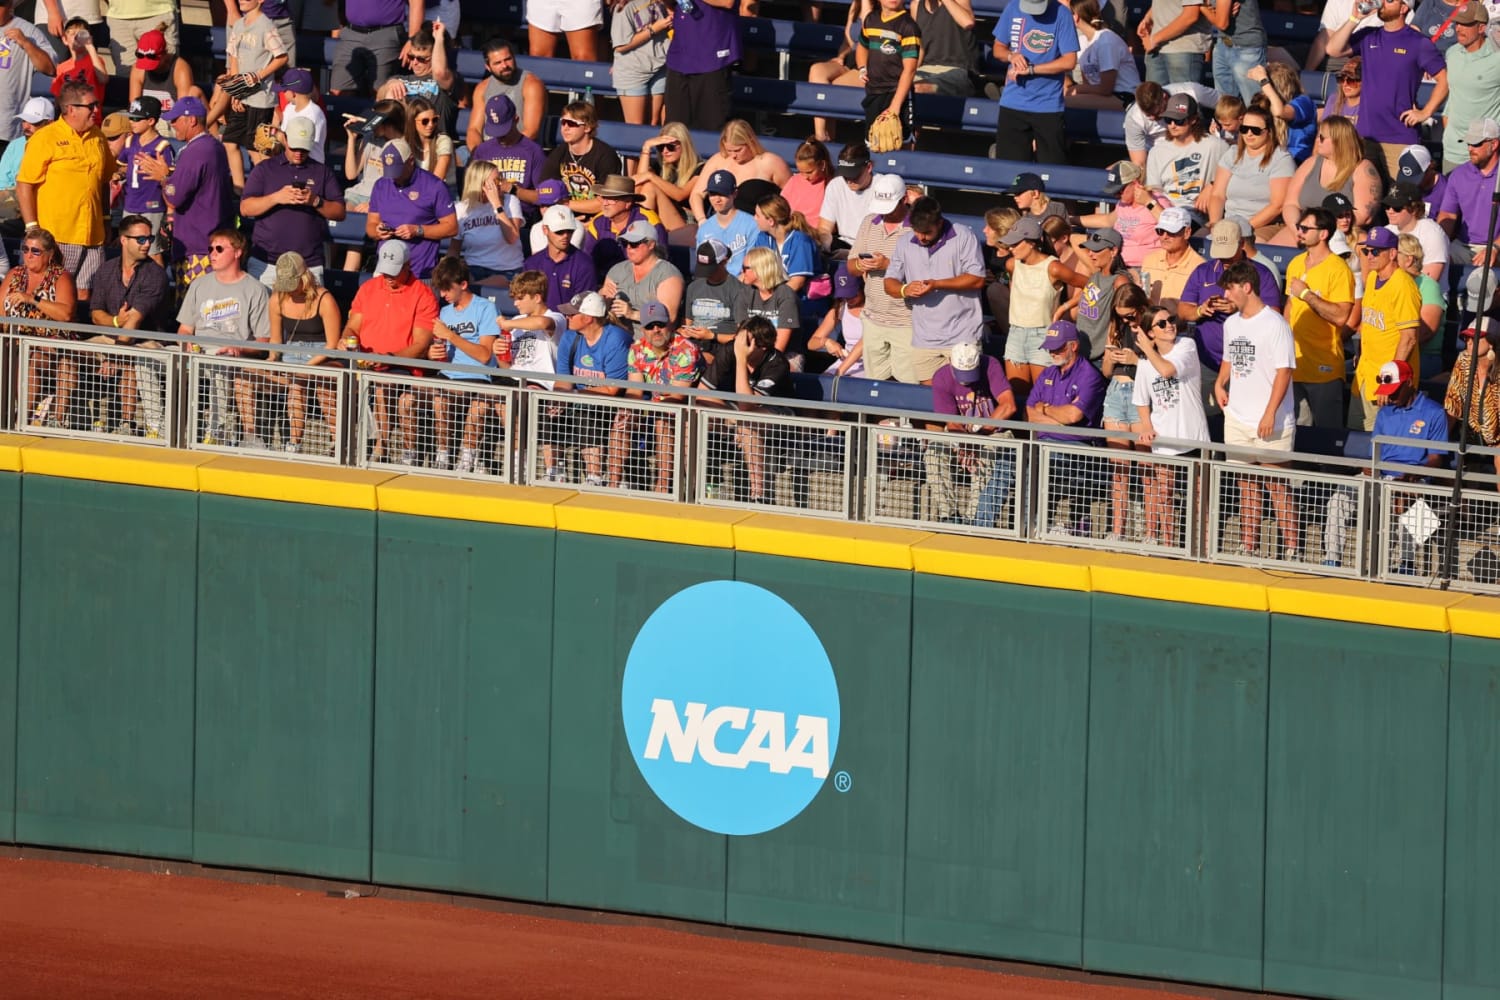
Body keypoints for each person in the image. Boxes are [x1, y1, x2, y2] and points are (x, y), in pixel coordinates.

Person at [1325, 358, 1449, 569]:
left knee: (1411, 502)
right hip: (1381, 476)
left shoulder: (1434, 412)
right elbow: (1375, 452)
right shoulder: (1385, 412)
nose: (1389, 395)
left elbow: (1436, 459)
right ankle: (1332, 559)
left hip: (1413, 479)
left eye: (1394, 390)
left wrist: (1413, 475)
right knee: (1339, 497)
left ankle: (1406, 565)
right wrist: (1369, 466)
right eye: (1387, 390)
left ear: (1409, 383)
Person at [1213, 259, 1298, 559]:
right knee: (1245, 485)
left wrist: (1270, 413)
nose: (1226, 295)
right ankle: (1249, 544)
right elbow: (1229, 358)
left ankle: (1291, 547)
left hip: (1270, 421)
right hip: (1237, 417)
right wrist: (1220, 383)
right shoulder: (1231, 323)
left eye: (1230, 289)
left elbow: (1284, 372)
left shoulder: (1276, 324)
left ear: (1247, 287)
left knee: (1277, 485)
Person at [16, 79, 115, 317]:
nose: (96, 110)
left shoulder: (98, 138)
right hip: (57, 234)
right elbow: (24, 184)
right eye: (91, 105)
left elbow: (103, 181)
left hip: (92, 235)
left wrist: (106, 218)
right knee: (49, 293)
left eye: (97, 105)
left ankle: (69, 348)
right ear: (71, 109)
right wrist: (32, 228)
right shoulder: (45, 137)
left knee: (84, 295)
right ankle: (40, 347)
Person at [1324, 0, 1449, 179]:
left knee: (1398, 200)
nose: (1382, 3)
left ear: (1404, 8)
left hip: (1400, 137)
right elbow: (1332, 49)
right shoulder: (1369, 35)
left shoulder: (1419, 43)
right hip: (1365, 135)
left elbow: (1444, 79)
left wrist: (1426, 112)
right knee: (1364, 198)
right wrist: (1354, 18)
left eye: (1389, 0)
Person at [176, 227, 273, 448]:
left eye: (219, 248)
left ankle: (214, 433)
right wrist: (187, 343)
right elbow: (184, 330)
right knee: (147, 358)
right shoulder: (199, 284)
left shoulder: (255, 289)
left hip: (230, 357)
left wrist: (238, 349)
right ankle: (159, 427)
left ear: (238, 252)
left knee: (219, 364)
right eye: (210, 248)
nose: (213, 253)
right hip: (197, 353)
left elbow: (263, 343)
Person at [344, 241, 439, 464]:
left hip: (401, 365)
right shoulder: (368, 288)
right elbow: (352, 326)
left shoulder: (423, 295)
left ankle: (381, 448)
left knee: (381, 384)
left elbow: (420, 345)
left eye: (394, 272)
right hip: (365, 359)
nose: (388, 276)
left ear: (408, 265)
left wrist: (390, 359)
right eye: (385, 270)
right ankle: (338, 443)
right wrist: (346, 340)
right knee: (327, 378)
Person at [1180, 218, 1283, 411]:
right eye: (1220, 254)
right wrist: (1201, 310)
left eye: (1228, 254)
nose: (1224, 260)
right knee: (1208, 419)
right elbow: (1184, 310)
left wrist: (1239, 309)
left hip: (1248, 365)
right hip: (1207, 361)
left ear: (1242, 244)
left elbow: (1274, 316)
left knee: (1245, 416)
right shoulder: (1203, 271)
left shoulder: (1262, 273)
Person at [141, 97, 235, 302]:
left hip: (198, 246)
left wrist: (164, 178)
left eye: (175, 120)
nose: (171, 124)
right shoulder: (214, 146)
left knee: (194, 309)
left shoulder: (196, 150)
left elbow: (175, 195)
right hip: (212, 240)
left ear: (191, 120)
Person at [885, 197, 985, 384]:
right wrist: (905, 289)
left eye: (927, 232)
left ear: (939, 223)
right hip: (924, 341)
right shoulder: (904, 242)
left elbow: (977, 279)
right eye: (917, 232)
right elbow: (889, 283)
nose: (921, 237)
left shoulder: (964, 236)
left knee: (965, 398)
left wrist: (937, 284)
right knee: (934, 402)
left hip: (962, 336)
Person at [1133, 305, 1209, 547]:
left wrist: (1146, 348)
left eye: (1171, 320)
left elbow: (1166, 370)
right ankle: (1168, 545)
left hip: (1193, 435)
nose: (1170, 325)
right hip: (1164, 440)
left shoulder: (1187, 346)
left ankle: (1202, 546)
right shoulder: (1144, 365)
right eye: (1162, 323)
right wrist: (1146, 425)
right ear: (1151, 332)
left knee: (1200, 497)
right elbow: (1141, 401)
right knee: (1164, 496)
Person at [239, 116, 346, 287]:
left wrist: (316, 201)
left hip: (308, 264)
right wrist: (276, 197)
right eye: (294, 147)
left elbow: (340, 212)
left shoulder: (322, 172)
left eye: (303, 149)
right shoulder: (265, 169)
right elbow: (245, 208)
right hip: (267, 264)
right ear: (285, 139)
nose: (298, 153)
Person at [926, 340, 1019, 528]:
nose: (966, 380)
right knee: (933, 453)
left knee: (986, 455)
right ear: (951, 362)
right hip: (960, 434)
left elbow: (1009, 405)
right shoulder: (942, 377)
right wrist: (965, 445)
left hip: (994, 432)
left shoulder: (990, 365)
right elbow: (951, 421)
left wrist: (978, 439)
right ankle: (948, 515)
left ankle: (974, 518)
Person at [1028, 320, 1106, 536]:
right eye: (1050, 348)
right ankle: (1032, 528)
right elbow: (1030, 415)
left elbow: (1074, 415)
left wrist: (1044, 409)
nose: (1053, 352)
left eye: (1058, 347)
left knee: (1045, 464)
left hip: (1078, 447)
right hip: (1045, 443)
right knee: (1016, 462)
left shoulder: (1089, 375)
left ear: (1073, 346)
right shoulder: (1047, 373)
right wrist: (1059, 417)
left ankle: (1044, 526)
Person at [614, 300, 701, 492]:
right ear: (643, 329)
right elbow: (634, 391)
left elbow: (677, 397)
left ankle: (663, 485)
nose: (656, 330)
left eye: (660, 324)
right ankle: (612, 485)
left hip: (687, 411)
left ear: (669, 324)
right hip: (654, 408)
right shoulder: (637, 349)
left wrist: (649, 411)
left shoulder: (686, 350)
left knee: (663, 420)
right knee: (621, 419)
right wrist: (628, 410)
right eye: (650, 326)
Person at [1284, 206, 1357, 429]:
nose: (1299, 232)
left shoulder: (1338, 270)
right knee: (1299, 437)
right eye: (1299, 227)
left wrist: (1307, 294)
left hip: (1324, 368)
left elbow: (1341, 316)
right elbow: (1289, 306)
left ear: (1323, 233)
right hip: (1295, 365)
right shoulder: (1295, 263)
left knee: (1327, 438)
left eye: (1306, 228)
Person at [427, 256, 501, 473]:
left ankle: (467, 458)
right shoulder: (445, 311)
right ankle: (442, 456)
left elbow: (485, 355)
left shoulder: (485, 308)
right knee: (418, 398)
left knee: (478, 406)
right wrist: (434, 354)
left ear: (463, 285)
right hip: (448, 374)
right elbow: (443, 353)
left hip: (476, 375)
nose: (443, 295)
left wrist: (451, 336)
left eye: (447, 289)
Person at [264, 251, 343, 455]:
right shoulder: (277, 299)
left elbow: (332, 344)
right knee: (295, 387)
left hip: (323, 354)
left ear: (304, 278)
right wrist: (272, 360)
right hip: (291, 353)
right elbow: (275, 340)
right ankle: (294, 442)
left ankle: (338, 442)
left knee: (322, 385)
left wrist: (307, 367)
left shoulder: (324, 299)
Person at [1000, 215, 1088, 395]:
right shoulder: (1012, 265)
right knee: (1018, 396)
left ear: (1032, 243)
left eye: (1015, 244)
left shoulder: (1053, 267)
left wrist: (1064, 307)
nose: (1011, 248)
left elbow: (1091, 285)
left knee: (1043, 395)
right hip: (1015, 333)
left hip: (1043, 335)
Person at [554, 290, 632, 487]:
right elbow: (563, 380)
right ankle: (552, 471)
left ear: (588, 318)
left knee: (587, 411)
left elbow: (612, 389)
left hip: (611, 402)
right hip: (579, 396)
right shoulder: (569, 337)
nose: (567, 317)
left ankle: (594, 477)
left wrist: (574, 395)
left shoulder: (616, 339)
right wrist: (558, 399)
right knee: (549, 410)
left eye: (572, 314)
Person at [210, 0, 287, 191]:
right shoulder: (237, 25)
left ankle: (269, 188)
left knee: (257, 148)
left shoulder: (266, 26)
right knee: (230, 141)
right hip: (243, 96)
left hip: (261, 99)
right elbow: (234, 59)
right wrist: (237, 91)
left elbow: (282, 56)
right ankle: (240, 189)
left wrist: (259, 75)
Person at [1351, 226, 1422, 430]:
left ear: (1392, 254)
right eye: (1367, 251)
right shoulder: (1373, 277)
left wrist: (1390, 381)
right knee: (1357, 442)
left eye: (1376, 251)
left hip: (1389, 382)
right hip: (1366, 374)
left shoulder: (1403, 286)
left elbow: (1409, 338)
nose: (1370, 256)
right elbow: (1370, 321)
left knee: (1378, 448)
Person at [991, 0, 1078, 164]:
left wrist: (1031, 69)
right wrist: (1011, 56)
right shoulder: (1013, 7)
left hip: (1048, 105)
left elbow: (1069, 61)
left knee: (1051, 172)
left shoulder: (1062, 14)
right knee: (1010, 171)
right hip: (1013, 103)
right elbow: (998, 48)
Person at [9, 228, 79, 429]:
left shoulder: (60, 277)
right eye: (25, 249)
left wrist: (32, 299)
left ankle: (21, 421)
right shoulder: (15, 274)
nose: (28, 255)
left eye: (35, 251)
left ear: (48, 255)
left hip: (51, 342)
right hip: (14, 339)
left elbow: (65, 314)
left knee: (33, 358)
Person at [849, 174, 915, 380]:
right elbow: (851, 266)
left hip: (907, 320)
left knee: (908, 384)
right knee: (874, 387)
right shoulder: (869, 222)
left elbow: (925, 273)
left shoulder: (916, 228)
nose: (885, 213)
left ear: (904, 199)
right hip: (873, 318)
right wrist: (861, 264)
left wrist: (887, 265)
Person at [1278, 115, 1382, 241]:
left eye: (1321, 137)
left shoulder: (1362, 169)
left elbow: (1363, 216)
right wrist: (1298, 229)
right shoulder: (1311, 163)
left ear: (1338, 141)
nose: (1317, 141)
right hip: (1303, 231)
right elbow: (1290, 204)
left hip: (1345, 235)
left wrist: (1320, 231)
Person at [366, 138, 458, 281]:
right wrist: (378, 232)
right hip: (385, 270)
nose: (393, 176)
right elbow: (371, 225)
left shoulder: (434, 186)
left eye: (397, 169)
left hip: (419, 273)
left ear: (410, 161)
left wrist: (418, 230)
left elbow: (452, 227)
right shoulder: (381, 185)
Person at [1099, 284, 1148, 541]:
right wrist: (1112, 358)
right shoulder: (1116, 328)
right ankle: (1119, 530)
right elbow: (1106, 372)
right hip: (1117, 392)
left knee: (1146, 467)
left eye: (1130, 315)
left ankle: (1150, 531)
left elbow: (1162, 370)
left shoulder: (1153, 327)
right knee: (1119, 469)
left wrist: (1136, 360)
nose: (1126, 320)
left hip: (1142, 397)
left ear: (1141, 309)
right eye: (1121, 316)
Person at [1208, 105, 1294, 241]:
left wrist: (1242, 228)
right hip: (1228, 223)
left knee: (1248, 246)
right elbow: (1217, 195)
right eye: (1244, 129)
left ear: (1269, 131)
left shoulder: (1281, 159)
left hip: (1263, 225)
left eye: (1255, 130)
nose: (1249, 134)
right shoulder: (1232, 154)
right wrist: (1214, 224)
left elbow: (1277, 205)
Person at [688, 120, 792, 221]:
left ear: (750, 142)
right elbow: (696, 194)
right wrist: (702, 221)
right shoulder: (718, 160)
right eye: (729, 150)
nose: (733, 155)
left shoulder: (770, 162)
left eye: (738, 150)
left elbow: (793, 196)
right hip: (719, 224)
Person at [664, 0, 740, 132]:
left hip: (712, 57)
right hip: (680, 57)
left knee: (711, 128)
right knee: (675, 129)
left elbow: (727, 2)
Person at [377, 20, 461, 139]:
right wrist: (389, 84)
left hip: (431, 142)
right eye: (411, 57)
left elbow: (440, 72)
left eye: (421, 59)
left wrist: (438, 40)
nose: (415, 63)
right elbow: (379, 102)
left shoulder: (449, 80)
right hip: (401, 142)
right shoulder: (399, 78)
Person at [601, 218, 684, 335]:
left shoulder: (667, 274)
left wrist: (632, 314)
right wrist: (602, 297)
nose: (628, 247)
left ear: (651, 245)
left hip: (652, 341)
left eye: (634, 244)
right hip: (618, 338)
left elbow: (669, 317)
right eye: (625, 243)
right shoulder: (617, 270)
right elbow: (602, 305)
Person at [1443, 4, 1500, 174]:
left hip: (1486, 154)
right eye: (1457, 23)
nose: (1458, 28)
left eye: (1465, 24)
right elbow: (1453, 92)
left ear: (1481, 27)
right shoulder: (1452, 53)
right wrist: (1447, 119)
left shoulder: (1497, 59)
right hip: (1453, 151)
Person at [1145, 92, 1223, 216]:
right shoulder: (1156, 152)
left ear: (1193, 119)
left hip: (1197, 214)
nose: (1172, 125)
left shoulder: (1216, 146)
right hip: (1164, 213)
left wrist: (1212, 186)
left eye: (1178, 121)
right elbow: (1154, 193)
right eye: (1168, 120)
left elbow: (1236, 173)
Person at [536, 101, 622, 214]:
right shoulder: (558, 153)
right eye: (563, 122)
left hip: (598, 220)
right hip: (564, 217)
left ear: (587, 127)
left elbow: (605, 203)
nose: (565, 128)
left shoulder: (605, 156)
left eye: (571, 123)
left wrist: (565, 204)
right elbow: (544, 193)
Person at [450, 158, 525, 286]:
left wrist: (497, 205)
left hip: (508, 271)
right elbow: (454, 250)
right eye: (496, 181)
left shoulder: (510, 201)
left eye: (501, 179)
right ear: (479, 184)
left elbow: (512, 237)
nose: (501, 184)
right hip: (473, 269)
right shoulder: (461, 209)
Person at [856, 0, 921, 147]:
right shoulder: (871, 19)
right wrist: (862, 68)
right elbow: (862, 46)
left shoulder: (909, 26)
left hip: (897, 92)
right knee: (874, 143)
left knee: (899, 142)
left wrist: (895, 107)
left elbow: (910, 70)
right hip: (873, 92)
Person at [681, 238, 750, 372]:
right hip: (693, 344)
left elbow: (742, 338)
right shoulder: (694, 287)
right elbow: (687, 323)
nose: (706, 274)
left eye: (710, 269)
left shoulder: (738, 290)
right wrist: (685, 331)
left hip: (721, 347)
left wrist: (712, 336)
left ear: (724, 262)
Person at [809, 0, 874, 142]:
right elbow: (847, 41)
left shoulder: (882, 8)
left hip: (869, 65)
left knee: (832, 87)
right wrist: (841, 56)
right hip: (850, 60)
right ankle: (820, 135)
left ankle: (826, 140)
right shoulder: (855, 6)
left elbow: (869, 36)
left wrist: (866, 3)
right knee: (817, 70)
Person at [465, 38, 547, 150]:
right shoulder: (482, 88)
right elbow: (474, 130)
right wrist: (478, 154)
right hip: (487, 151)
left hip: (520, 151)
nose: (504, 65)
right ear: (488, 67)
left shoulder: (531, 84)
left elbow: (531, 132)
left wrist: (502, 154)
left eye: (508, 59)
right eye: (498, 63)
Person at [1438, 118, 1500, 266]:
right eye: (1468, 143)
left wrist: (1495, 248)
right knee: (1435, 260)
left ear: (1494, 144)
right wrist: (1438, 243)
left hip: (1496, 247)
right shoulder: (1458, 174)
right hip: (1461, 245)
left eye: (1477, 144)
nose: (1470, 148)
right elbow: (1448, 215)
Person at [329, 0, 421, 98]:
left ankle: (378, 114)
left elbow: (417, 2)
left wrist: (412, 39)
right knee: (338, 91)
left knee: (381, 92)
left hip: (385, 33)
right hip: (350, 32)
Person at [1083, 161, 1164, 271]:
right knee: (1076, 240)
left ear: (1135, 183)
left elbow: (1172, 225)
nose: (1116, 195)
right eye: (1114, 192)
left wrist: (1148, 201)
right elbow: (1107, 220)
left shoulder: (1156, 201)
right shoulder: (1123, 204)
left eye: (1120, 191)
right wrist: (1071, 219)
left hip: (1144, 267)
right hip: (1117, 264)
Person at [1445, 325, 1500, 484]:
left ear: (1491, 343)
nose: (1469, 342)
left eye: (1475, 338)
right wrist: (1442, 438)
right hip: (1468, 433)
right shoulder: (1464, 360)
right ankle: (1459, 508)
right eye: (1467, 338)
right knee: (1446, 454)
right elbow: (1453, 401)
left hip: (1496, 436)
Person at [1123, 80, 1222, 168]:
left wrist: (1220, 125)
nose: (1153, 118)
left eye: (1157, 113)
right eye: (1148, 115)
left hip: (1196, 148)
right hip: (1158, 157)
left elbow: (1228, 105)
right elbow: (1139, 163)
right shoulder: (1134, 118)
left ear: (1164, 97)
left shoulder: (1192, 92)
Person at [583, 174, 668, 275]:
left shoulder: (649, 221)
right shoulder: (597, 223)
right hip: (605, 282)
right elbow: (588, 260)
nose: (605, 203)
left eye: (611, 199)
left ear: (628, 203)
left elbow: (660, 262)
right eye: (603, 198)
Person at [1065, 0, 1140, 110]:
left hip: (1125, 97)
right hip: (1103, 96)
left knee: (1064, 103)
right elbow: (1089, 84)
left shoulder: (1106, 41)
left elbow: (1106, 89)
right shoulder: (1082, 41)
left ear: (1076, 17)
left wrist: (1077, 89)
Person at [0, 0, 55, 146]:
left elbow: (50, 68)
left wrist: (26, 43)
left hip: (7, 127)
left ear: (10, 5)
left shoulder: (28, 32)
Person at [631, 122, 703, 233]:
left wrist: (650, 176)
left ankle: (638, 236)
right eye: (660, 147)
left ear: (684, 145)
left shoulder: (700, 168)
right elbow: (639, 182)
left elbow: (680, 195)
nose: (665, 151)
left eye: (670, 146)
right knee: (644, 186)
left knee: (650, 187)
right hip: (662, 216)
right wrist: (646, 147)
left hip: (687, 222)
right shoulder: (661, 167)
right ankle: (638, 235)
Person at [524, 204, 599, 309]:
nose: (565, 236)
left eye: (569, 231)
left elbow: (582, 307)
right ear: (545, 230)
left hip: (571, 324)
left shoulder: (584, 264)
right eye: (559, 232)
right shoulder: (531, 264)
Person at [610, 0, 671, 126]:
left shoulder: (661, 2)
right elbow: (621, 46)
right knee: (636, 126)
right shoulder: (624, 7)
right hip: (634, 71)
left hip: (660, 66)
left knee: (654, 123)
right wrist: (653, 29)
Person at [471, 95, 547, 195]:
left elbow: (543, 196)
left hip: (523, 209)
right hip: (488, 208)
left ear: (516, 120)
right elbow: (472, 192)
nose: (500, 136)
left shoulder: (533, 151)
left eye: (504, 130)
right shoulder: (482, 151)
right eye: (496, 130)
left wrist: (514, 190)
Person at [1396, 233, 1446, 378]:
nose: (1389, 257)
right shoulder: (1393, 283)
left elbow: (1426, 331)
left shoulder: (1428, 285)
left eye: (1395, 253)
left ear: (1409, 259)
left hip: (1423, 356)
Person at [1245, 62, 1316, 163]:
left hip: (1296, 160)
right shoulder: (1268, 101)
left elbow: (1279, 112)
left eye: (1266, 86)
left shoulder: (1303, 102)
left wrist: (1264, 81)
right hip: (1273, 158)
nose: (1263, 90)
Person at [695, 169, 762, 275]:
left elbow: (754, 265)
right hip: (714, 284)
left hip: (742, 284)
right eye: (712, 194)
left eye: (722, 194)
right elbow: (702, 266)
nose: (717, 199)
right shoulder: (704, 229)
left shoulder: (752, 224)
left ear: (735, 194)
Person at [817, 142, 881, 251]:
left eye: (854, 176)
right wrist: (825, 248)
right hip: (844, 245)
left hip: (873, 248)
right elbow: (824, 228)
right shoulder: (835, 185)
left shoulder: (884, 186)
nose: (849, 181)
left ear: (869, 167)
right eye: (845, 176)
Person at [127, 27, 202, 119]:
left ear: (164, 53)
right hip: (147, 121)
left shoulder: (180, 69)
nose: (147, 66)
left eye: (152, 58)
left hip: (174, 121)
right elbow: (135, 107)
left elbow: (183, 110)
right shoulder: (138, 69)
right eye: (140, 56)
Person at [1139, 205, 1204, 310]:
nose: (1164, 236)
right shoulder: (1149, 260)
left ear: (1187, 233)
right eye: (1160, 231)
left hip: (1179, 324)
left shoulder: (1200, 267)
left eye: (1171, 231)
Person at [1384, 183, 1449, 286]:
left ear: (1414, 209)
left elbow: (1428, 283)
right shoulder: (1387, 231)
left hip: (1426, 296)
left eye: (1397, 208)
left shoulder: (1432, 234)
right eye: (1387, 206)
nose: (1390, 211)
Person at [807, 263, 866, 375]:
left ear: (861, 287)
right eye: (844, 295)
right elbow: (811, 343)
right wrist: (826, 342)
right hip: (846, 361)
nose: (848, 299)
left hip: (870, 364)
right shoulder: (840, 308)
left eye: (852, 294)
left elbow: (864, 343)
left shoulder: (874, 309)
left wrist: (840, 371)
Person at [1203, 0, 1266, 104]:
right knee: (1226, 105)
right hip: (1223, 43)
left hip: (1245, 47)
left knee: (1254, 104)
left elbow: (1222, 23)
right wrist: (1213, 11)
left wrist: (1201, 7)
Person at [0, 97, 54, 219]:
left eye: (34, 122)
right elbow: (2, 182)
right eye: (24, 121)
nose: (26, 126)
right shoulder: (15, 145)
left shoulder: (57, 147)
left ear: (50, 123)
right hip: (14, 201)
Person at [912, 0, 977, 97]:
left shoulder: (959, 1)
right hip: (925, 69)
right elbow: (919, 46)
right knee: (898, 86)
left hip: (957, 70)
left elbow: (968, 22)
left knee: (919, 87)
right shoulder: (916, 5)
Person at [1137, 0, 1209, 88]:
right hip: (1157, 50)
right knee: (1153, 100)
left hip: (1183, 50)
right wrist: (1147, 18)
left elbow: (1191, 15)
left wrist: (1154, 40)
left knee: (1183, 100)